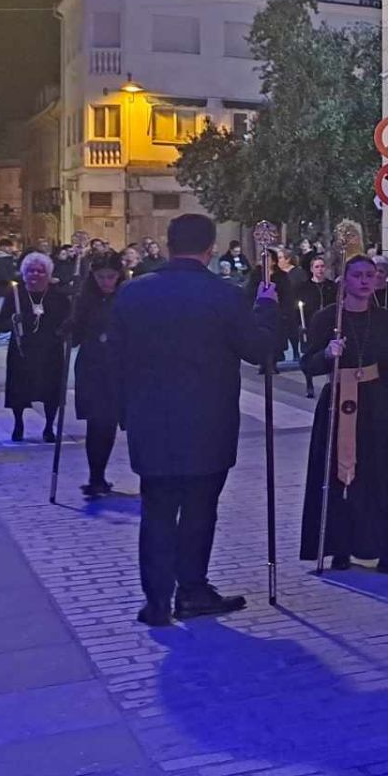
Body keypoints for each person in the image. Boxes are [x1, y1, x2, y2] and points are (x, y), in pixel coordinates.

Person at [113, 213, 280, 626]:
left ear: (169, 245)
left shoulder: (133, 294)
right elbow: (258, 350)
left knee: (157, 510)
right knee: (200, 509)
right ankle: (191, 589)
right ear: (209, 249)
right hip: (208, 424)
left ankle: (156, 600)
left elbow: (114, 357)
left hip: (151, 422)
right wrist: (266, 310)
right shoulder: (222, 296)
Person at [300, 254, 388, 572]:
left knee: (381, 477)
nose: (365, 281)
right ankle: (340, 547)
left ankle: (385, 547)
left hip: (377, 402)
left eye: (370, 275)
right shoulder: (326, 318)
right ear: (345, 280)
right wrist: (326, 353)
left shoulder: (387, 320)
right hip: (337, 400)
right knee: (337, 475)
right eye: (358, 275)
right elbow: (307, 363)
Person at [69, 251, 128, 498]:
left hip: (117, 368)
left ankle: (101, 476)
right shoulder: (86, 299)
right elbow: (76, 332)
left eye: (110, 277)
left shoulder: (126, 297)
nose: (105, 282)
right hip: (93, 368)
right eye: (100, 277)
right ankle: (96, 476)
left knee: (109, 423)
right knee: (97, 424)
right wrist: (69, 329)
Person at [0, 251, 69, 443]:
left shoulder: (58, 297)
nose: (35, 275)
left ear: (48, 274)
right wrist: (14, 319)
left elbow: (67, 320)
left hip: (50, 350)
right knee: (19, 388)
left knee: (51, 389)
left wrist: (62, 332)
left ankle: (48, 427)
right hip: (22, 349)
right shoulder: (16, 294)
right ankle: (18, 423)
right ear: (24, 273)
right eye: (31, 271)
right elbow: (2, 322)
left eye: (40, 271)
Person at [291, 256, 338, 396]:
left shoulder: (332, 286)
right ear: (312, 269)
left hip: (329, 327)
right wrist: (300, 325)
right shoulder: (303, 288)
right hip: (310, 327)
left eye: (322, 266)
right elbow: (296, 309)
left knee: (331, 355)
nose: (320, 269)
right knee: (309, 355)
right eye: (317, 267)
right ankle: (309, 383)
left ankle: (333, 383)